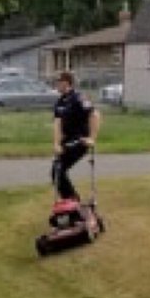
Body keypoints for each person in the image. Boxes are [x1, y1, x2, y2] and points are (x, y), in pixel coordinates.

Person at [51, 70, 100, 202]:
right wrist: (56, 143)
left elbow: (95, 115)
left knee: (58, 171)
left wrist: (92, 138)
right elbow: (57, 123)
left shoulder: (79, 98)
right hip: (67, 141)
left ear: (66, 83)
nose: (56, 85)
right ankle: (71, 202)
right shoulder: (60, 102)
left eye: (58, 82)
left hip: (80, 140)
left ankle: (73, 202)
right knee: (57, 172)